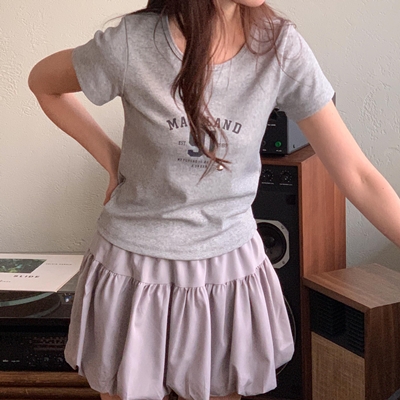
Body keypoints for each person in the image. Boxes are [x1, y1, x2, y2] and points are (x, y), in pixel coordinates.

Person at [28, 0, 400, 399]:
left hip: (227, 272)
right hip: (134, 272)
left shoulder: (280, 48)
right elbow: (43, 84)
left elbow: (358, 175)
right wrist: (110, 158)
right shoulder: (132, 44)